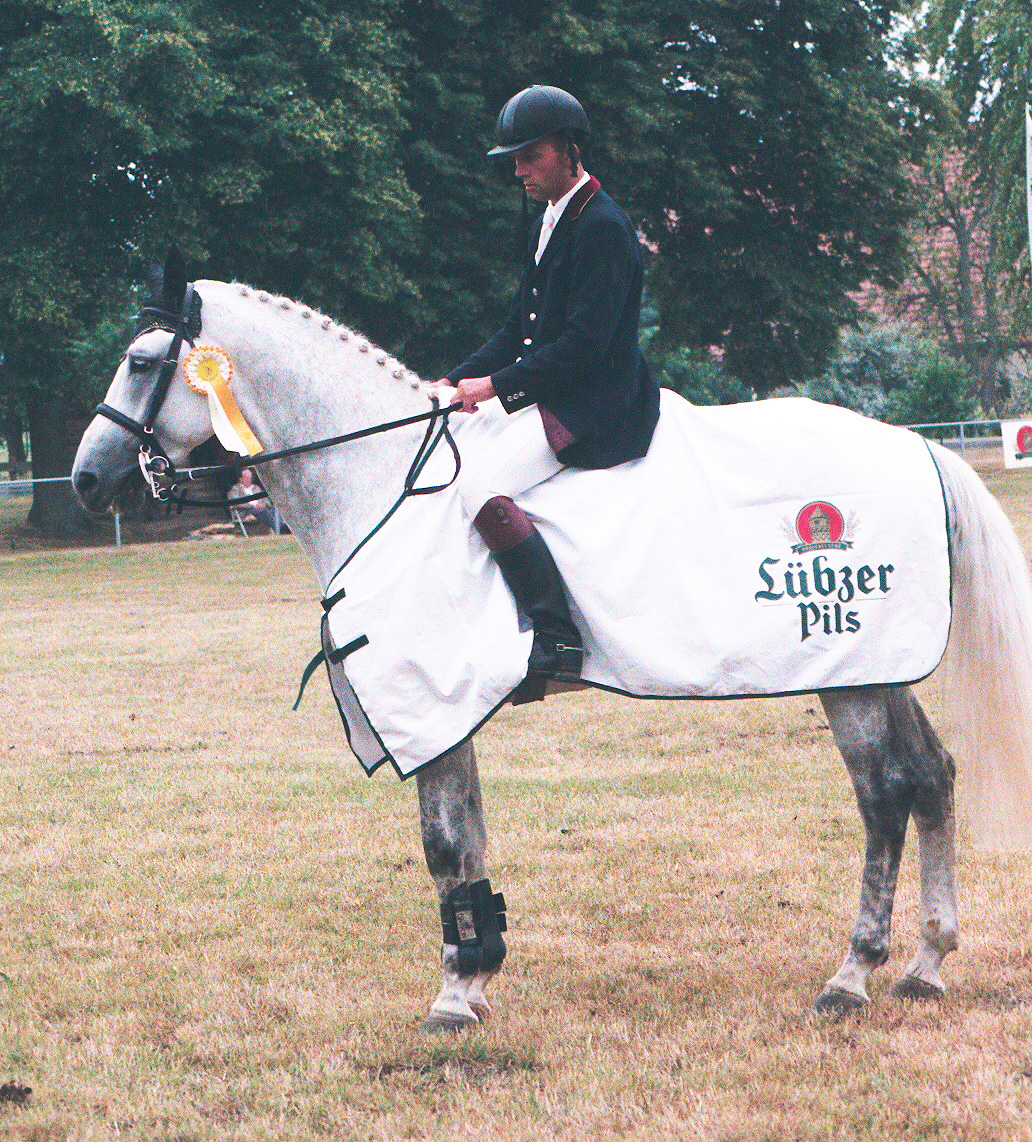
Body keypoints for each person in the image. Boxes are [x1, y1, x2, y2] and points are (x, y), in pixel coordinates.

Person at [436, 84, 661, 686]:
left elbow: (585, 348)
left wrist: (496, 388)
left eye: (530, 155)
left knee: (479, 487)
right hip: (556, 388)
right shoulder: (551, 219)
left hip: (598, 401)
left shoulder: (604, 227)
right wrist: (452, 380)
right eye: (513, 158)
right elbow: (520, 328)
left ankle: (557, 637)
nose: (518, 170)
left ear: (570, 148)